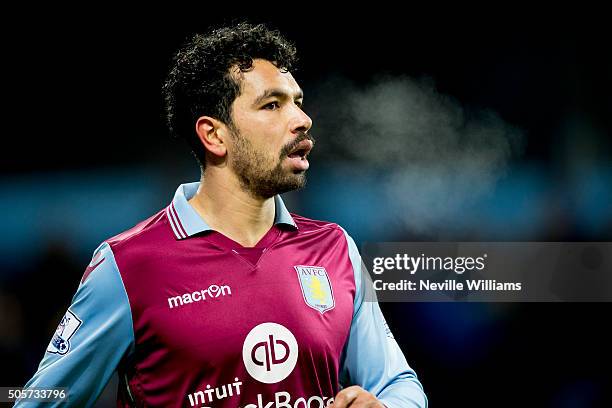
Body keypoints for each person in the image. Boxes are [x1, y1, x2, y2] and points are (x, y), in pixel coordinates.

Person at [18, 23, 427, 407]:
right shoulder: (127, 265)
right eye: (272, 105)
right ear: (214, 135)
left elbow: (400, 384)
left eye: (298, 103)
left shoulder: (334, 248)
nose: (302, 120)